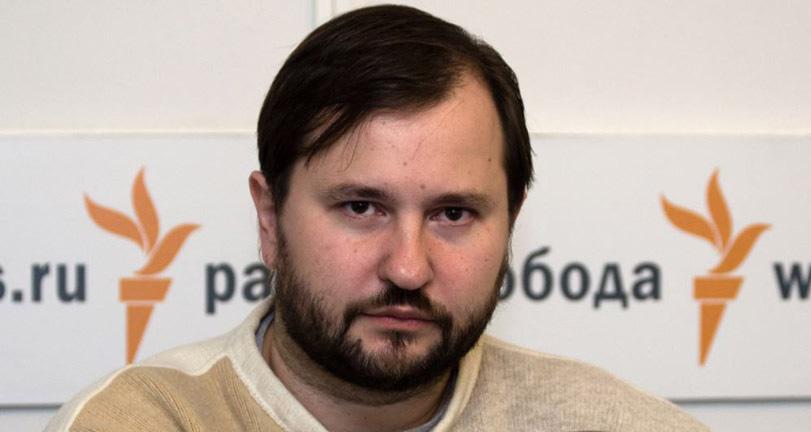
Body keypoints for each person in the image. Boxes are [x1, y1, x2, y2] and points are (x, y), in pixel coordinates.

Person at [48, 5, 707, 431]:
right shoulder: (143, 421)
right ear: (270, 219)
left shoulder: (618, 424)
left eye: (453, 213)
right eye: (361, 207)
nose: (408, 268)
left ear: (511, 223)